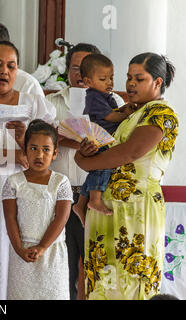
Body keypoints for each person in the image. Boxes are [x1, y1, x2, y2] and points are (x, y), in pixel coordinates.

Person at [74, 52, 178, 300]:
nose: (130, 83)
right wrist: (83, 155)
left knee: (131, 281)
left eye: (139, 78)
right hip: (104, 208)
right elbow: (100, 150)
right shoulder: (124, 113)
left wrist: (87, 163)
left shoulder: (161, 114)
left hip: (137, 209)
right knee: (101, 280)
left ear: (157, 82)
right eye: (129, 77)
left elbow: (129, 152)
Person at [0, 40, 56, 299]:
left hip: (21, 193)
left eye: (11, 66)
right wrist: (13, 154)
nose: (4, 72)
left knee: (13, 258)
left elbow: (44, 154)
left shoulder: (33, 103)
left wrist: (24, 140)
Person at [45, 42, 123, 300]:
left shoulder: (116, 103)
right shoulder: (52, 103)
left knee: (97, 267)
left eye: (89, 68)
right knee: (61, 268)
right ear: (67, 71)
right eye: (76, 68)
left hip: (97, 198)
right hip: (59, 198)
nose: (81, 74)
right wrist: (73, 141)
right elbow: (42, 141)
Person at [2, 119, 72, 299]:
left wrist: (42, 247)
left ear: (55, 153)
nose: (39, 155)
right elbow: (10, 218)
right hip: (22, 251)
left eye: (46, 149)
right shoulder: (13, 182)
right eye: (33, 148)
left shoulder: (61, 182)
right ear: (24, 150)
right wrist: (19, 249)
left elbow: (61, 218)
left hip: (51, 252)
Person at [72, 53, 135, 220]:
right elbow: (110, 117)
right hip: (100, 139)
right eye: (103, 79)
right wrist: (127, 116)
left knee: (95, 171)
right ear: (88, 82)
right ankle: (95, 199)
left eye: (111, 78)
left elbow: (113, 112)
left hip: (105, 137)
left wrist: (122, 109)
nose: (109, 82)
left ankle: (80, 203)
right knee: (103, 167)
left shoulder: (107, 96)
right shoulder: (94, 96)